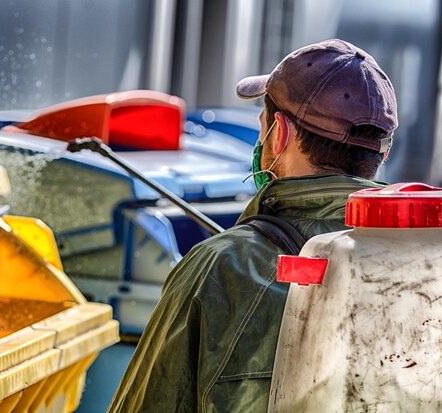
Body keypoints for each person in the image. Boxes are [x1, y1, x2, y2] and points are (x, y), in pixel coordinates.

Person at [107, 39, 398, 412]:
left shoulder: (222, 268)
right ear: (382, 152)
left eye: (261, 125)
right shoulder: (417, 260)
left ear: (279, 133)